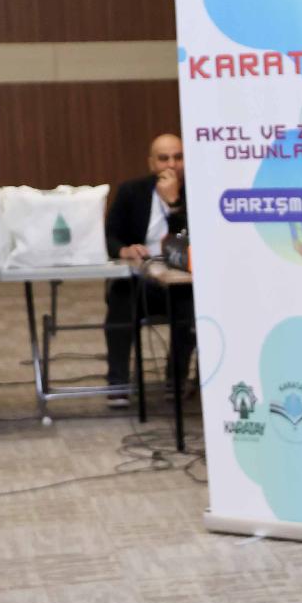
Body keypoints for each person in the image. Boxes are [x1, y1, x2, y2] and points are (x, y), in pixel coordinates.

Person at [102, 133, 193, 404]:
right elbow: (109, 235)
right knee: (121, 297)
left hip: (181, 279)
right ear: (151, 163)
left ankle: (176, 380)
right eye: (164, 158)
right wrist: (124, 250)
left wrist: (174, 203)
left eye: (178, 157)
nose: (171, 165)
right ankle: (118, 382)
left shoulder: (197, 191)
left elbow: (190, 242)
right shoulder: (131, 192)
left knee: (190, 306)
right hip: (140, 278)